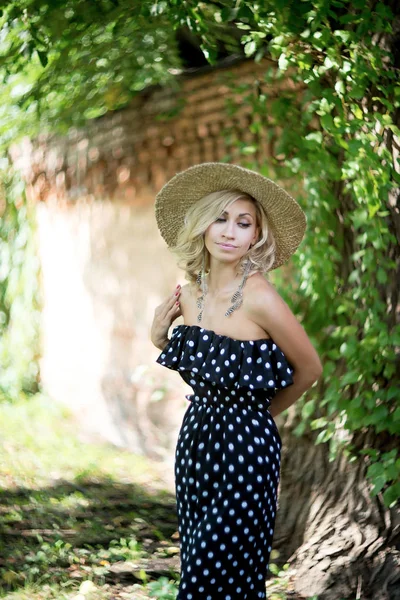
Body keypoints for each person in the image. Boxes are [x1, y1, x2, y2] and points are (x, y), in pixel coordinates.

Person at [151, 162, 323, 600]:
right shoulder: (189, 293)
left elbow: (309, 369)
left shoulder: (262, 297)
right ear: (203, 227)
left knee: (217, 567)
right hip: (196, 439)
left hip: (247, 446)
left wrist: (257, 417)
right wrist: (157, 334)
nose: (229, 231)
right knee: (197, 555)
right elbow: (201, 366)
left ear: (255, 237)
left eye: (243, 223)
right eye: (221, 218)